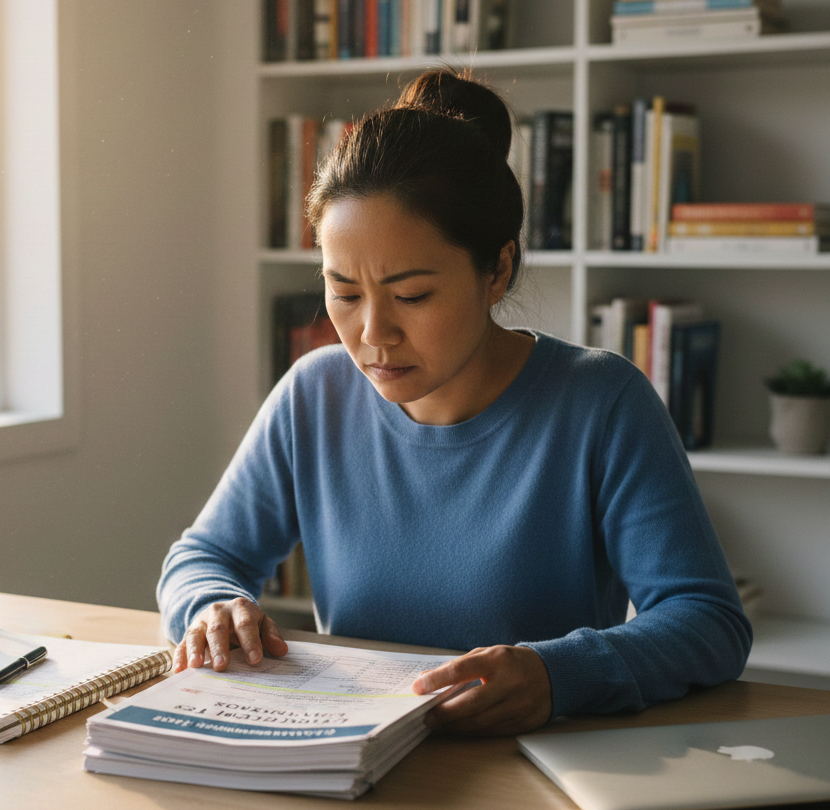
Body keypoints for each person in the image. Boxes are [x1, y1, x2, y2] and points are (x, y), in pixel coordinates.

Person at [156, 68, 751, 736]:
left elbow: (708, 620)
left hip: (536, 772)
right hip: (356, 762)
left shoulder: (601, 402)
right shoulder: (312, 395)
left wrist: (557, 673)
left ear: (497, 269)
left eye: (411, 295)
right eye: (344, 293)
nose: (372, 334)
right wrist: (211, 605)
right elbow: (201, 559)